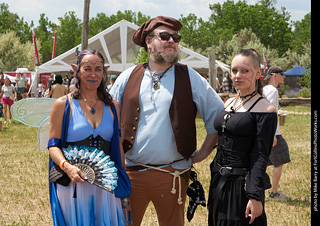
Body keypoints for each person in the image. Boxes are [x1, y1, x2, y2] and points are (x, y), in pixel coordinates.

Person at [110, 16, 224, 226]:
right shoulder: (128, 76)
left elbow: (218, 114)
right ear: (148, 41)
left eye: (176, 37)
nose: (172, 41)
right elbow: (107, 119)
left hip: (173, 174)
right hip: (131, 174)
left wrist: (203, 152)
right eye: (164, 36)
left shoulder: (190, 76)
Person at [48, 49, 131, 225]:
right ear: (77, 71)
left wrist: (123, 186)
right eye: (87, 68)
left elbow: (117, 146)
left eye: (98, 69)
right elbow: (53, 146)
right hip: (73, 186)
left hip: (106, 188)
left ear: (104, 71)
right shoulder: (63, 105)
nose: (93, 74)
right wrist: (67, 167)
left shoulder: (113, 106)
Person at [207, 49, 277, 226]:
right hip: (218, 181)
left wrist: (255, 196)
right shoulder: (230, 102)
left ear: (258, 73)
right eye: (234, 70)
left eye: (245, 70)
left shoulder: (265, 109)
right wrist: (200, 153)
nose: (237, 75)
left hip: (242, 185)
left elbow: (260, 156)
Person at [263, 66, 291, 201]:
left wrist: (277, 111)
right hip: (272, 133)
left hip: (264, 132)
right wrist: (273, 134)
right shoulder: (273, 91)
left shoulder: (264, 90)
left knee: (262, 162)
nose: (284, 76)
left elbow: (264, 108)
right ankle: (274, 193)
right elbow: (267, 112)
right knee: (280, 160)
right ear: (275, 75)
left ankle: (249, 187)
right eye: (282, 74)